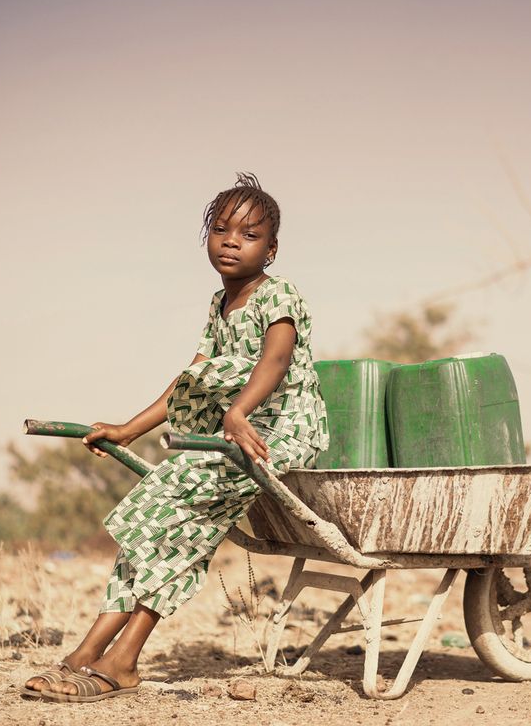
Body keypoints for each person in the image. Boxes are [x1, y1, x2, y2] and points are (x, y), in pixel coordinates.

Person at [22, 173, 329, 702]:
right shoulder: (218, 304)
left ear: (272, 249)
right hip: (230, 432)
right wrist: (127, 429)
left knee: (182, 525)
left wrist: (237, 413)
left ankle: (121, 661)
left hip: (277, 432)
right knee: (152, 520)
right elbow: (192, 376)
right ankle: (86, 654)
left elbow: (274, 363)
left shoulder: (279, 294)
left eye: (250, 234)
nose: (232, 241)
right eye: (221, 229)